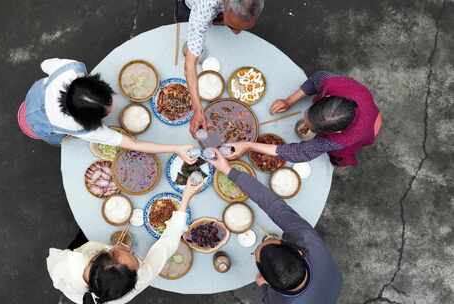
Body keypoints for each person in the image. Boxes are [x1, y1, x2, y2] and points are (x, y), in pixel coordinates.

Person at [207, 149, 342, 304]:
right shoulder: (307, 238)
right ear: (299, 251)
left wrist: (264, 287)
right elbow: (273, 204)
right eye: (273, 241)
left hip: (332, 281)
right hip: (333, 282)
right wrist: (229, 171)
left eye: (255, 252)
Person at [47, 177, 203, 304]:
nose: (129, 248)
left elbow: (54, 267)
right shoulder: (138, 279)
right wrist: (186, 198)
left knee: (82, 236)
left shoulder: (68, 263)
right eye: (133, 255)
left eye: (126, 252)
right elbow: (166, 246)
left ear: (96, 256)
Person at [22, 58, 196, 164]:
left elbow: (45, 65)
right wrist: (176, 148)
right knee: (57, 137)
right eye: (105, 113)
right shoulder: (85, 130)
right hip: (41, 122)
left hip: (36, 92)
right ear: (88, 121)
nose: (112, 109)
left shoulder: (70, 69)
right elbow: (134, 144)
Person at [224, 71, 382, 166]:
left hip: (368, 126)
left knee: (342, 152)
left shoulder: (337, 140)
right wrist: (289, 101)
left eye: (310, 126)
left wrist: (248, 145)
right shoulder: (333, 83)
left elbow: (299, 152)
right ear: (325, 97)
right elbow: (317, 78)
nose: (304, 123)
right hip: (363, 102)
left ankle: (338, 160)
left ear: (335, 132)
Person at [182, 0, 265, 135]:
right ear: (225, 4)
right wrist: (198, 109)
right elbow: (190, 64)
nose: (237, 34)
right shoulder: (205, 7)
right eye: (232, 27)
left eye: (243, 28)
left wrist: (227, 21)